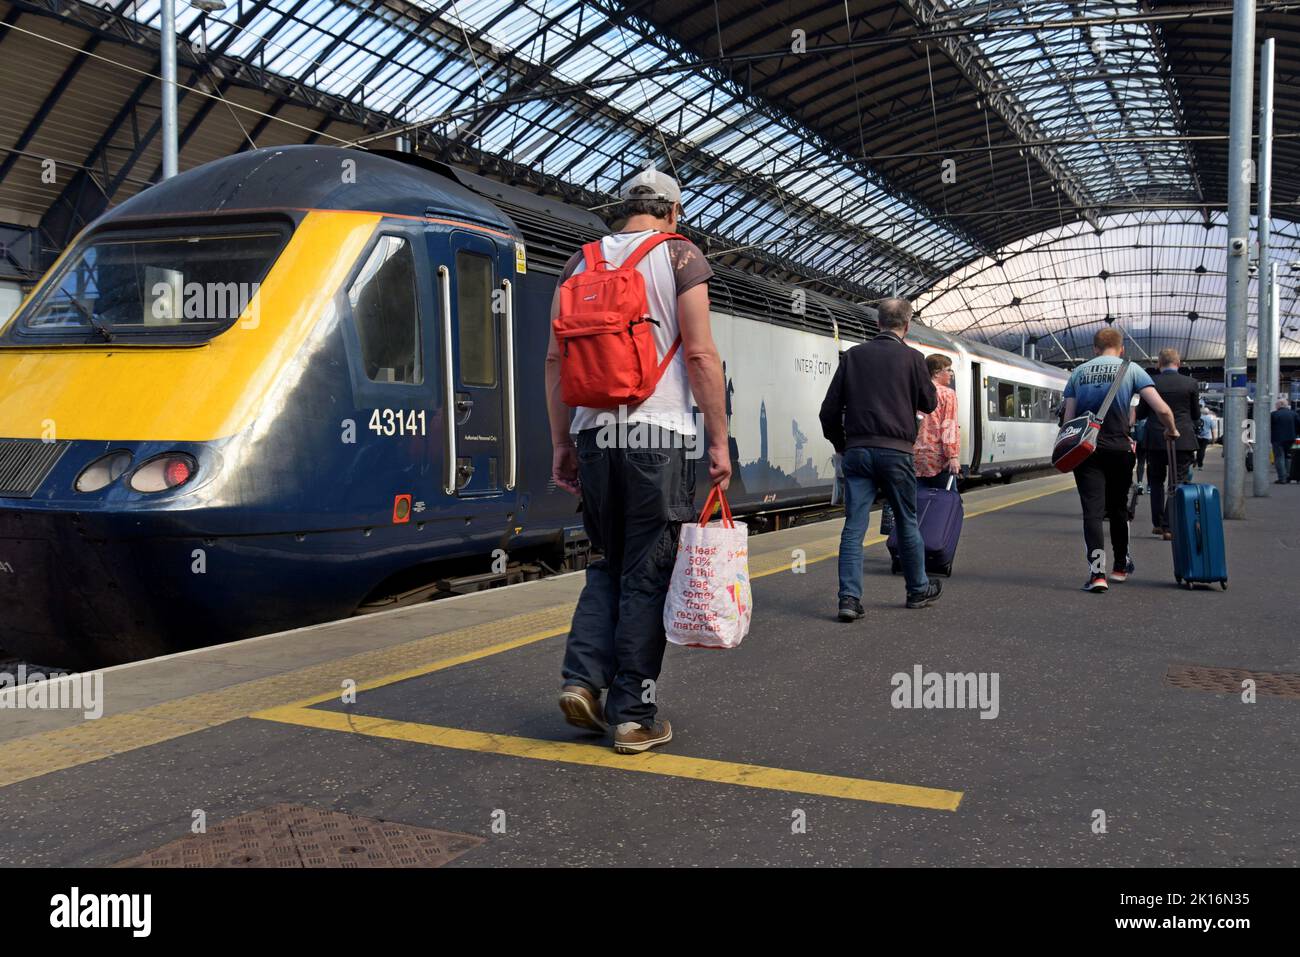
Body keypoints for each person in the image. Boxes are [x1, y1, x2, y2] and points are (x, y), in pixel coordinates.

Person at [545, 169, 730, 755]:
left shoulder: (580, 261)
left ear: (622, 208)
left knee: (605, 561)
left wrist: (563, 443)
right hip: (660, 435)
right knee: (647, 573)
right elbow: (699, 354)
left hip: (595, 436)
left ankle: (581, 680)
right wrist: (719, 442)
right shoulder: (680, 257)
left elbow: (555, 361)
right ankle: (633, 713)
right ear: (673, 211)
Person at [819, 298, 940, 617]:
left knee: (854, 526)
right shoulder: (914, 358)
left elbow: (828, 411)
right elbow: (929, 404)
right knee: (906, 520)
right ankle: (917, 590)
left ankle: (849, 598)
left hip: (858, 451)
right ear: (907, 325)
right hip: (896, 453)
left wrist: (841, 445)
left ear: (878, 323)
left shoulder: (853, 356)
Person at [1062, 328, 1177, 592]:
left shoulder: (1078, 373)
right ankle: (1120, 568)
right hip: (1120, 450)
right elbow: (1160, 408)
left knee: (1092, 512)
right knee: (1118, 510)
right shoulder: (1132, 369)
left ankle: (1097, 574)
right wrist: (1171, 429)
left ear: (1094, 349)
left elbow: (1069, 420)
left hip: (1087, 450)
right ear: (1121, 348)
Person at [1137, 348, 1200, 538]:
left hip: (1155, 440)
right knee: (1177, 481)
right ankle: (1169, 526)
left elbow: (1140, 413)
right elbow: (1195, 415)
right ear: (1178, 363)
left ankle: (1157, 523)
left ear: (1158, 364)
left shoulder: (1150, 382)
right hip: (1182, 440)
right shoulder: (1191, 383)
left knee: (1155, 482)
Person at [913, 353, 961, 489]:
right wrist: (953, 456)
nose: (951, 374)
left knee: (919, 504)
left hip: (915, 458)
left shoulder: (915, 392)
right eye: (948, 370)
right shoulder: (947, 394)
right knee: (946, 504)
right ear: (936, 373)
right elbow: (948, 425)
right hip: (938, 459)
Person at [1270, 397, 1300, 484]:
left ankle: (1282, 478)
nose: (1276, 406)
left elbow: (1269, 426)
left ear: (1279, 405)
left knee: (1279, 458)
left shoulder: (1274, 414)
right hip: (1291, 439)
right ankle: (1288, 476)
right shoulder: (1294, 414)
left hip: (1277, 439)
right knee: (1288, 457)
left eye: (1276, 404)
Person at [1195, 404, 1212, 469]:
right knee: (1202, 450)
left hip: (1198, 436)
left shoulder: (1198, 418)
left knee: (1197, 450)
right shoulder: (1210, 419)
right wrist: (1213, 439)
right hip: (1206, 437)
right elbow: (1213, 430)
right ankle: (1200, 464)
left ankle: (1196, 460)